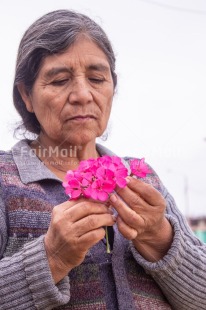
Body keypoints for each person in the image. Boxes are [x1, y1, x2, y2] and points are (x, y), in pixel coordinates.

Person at [0, 9, 205, 310]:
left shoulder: (142, 179)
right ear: (26, 95)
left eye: (97, 78)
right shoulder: (6, 181)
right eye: (59, 81)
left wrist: (159, 238)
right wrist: (51, 259)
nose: (83, 94)